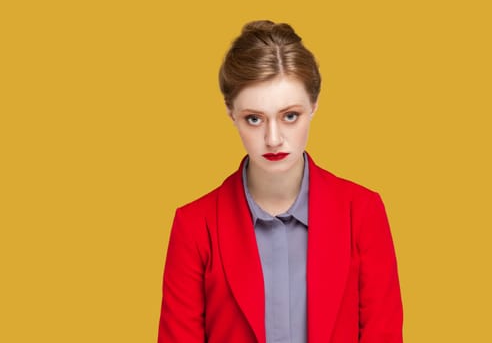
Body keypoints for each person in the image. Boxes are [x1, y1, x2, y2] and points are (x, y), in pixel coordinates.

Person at [158, 20, 403, 343]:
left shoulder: (362, 211)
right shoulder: (194, 225)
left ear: (313, 105)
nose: (273, 139)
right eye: (254, 119)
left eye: (290, 116)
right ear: (231, 113)